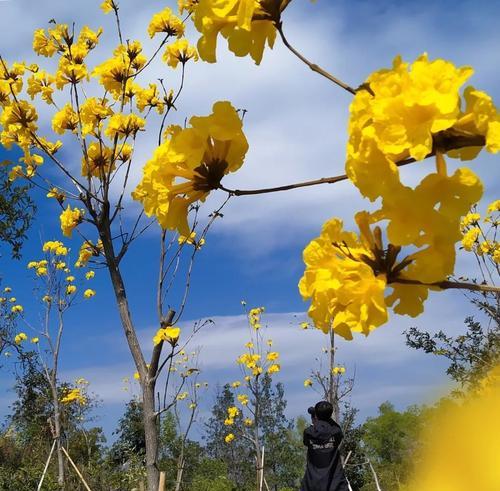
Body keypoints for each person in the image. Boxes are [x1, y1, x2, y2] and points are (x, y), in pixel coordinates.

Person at [300, 401, 349, 491]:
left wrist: (317, 421)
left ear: (316, 416)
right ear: (330, 415)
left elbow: (306, 441)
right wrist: (325, 417)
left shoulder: (308, 433)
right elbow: (337, 428)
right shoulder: (336, 432)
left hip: (312, 484)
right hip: (335, 484)